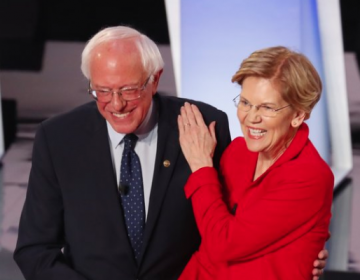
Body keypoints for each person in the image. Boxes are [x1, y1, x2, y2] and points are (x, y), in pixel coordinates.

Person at [13, 26, 327, 280]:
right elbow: (35, 250)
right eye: (103, 91)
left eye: (129, 89)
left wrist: (297, 251)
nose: (116, 103)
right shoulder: (58, 137)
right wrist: (297, 249)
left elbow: (223, 234)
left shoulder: (205, 126)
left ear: (155, 79)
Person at [177, 46, 333, 280]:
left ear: (298, 115)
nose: (251, 117)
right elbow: (209, 239)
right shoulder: (237, 152)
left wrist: (201, 168)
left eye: (267, 107)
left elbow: (223, 244)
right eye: (245, 102)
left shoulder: (309, 175)